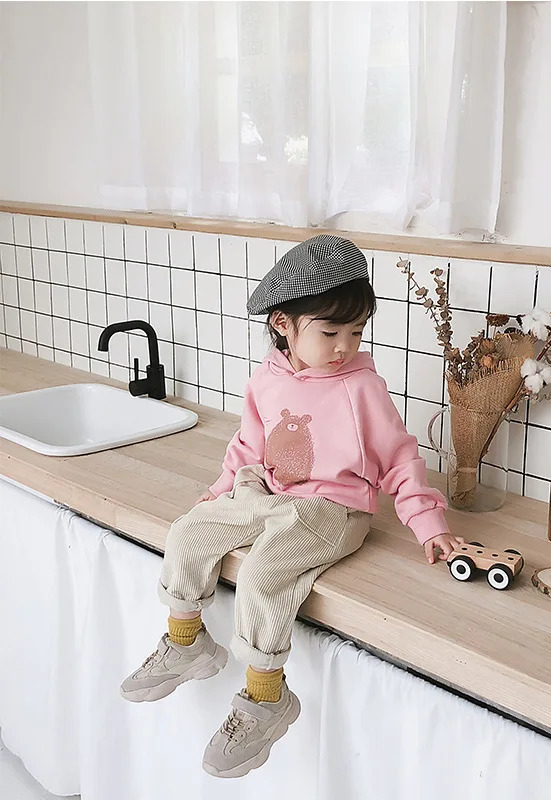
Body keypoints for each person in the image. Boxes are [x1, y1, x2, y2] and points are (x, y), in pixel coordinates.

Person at [120, 234, 463, 779]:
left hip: (333, 508)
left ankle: (266, 696)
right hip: (272, 493)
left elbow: (399, 455)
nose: (345, 345)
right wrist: (221, 489)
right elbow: (248, 445)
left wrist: (428, 523)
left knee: (263, 572)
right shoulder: (267, 378)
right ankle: (187, 641)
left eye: (356, 331)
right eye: (330, 332)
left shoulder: (361, 387)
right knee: (188, 531)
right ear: (283, 324)